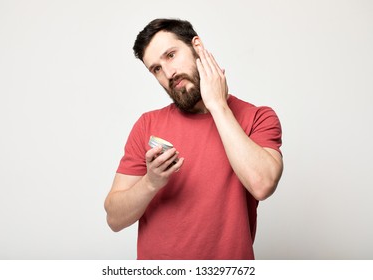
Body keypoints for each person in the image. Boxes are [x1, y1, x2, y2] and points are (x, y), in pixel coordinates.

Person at [104, 18, 283, 260]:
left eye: (171, 55)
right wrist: (150, 183)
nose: (169, 73)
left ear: (197, 47)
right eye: (156, 68)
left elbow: (262, 184)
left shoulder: (258, 117)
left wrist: (218, 106)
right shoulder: (147, 125)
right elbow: (114, 219)